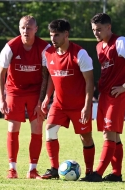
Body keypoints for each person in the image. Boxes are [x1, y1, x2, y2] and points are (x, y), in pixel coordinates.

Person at [84, 13, 125, 182]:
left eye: (99, 29)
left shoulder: (120, 42)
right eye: (94, 30)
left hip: (117, 95)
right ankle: (116, 173)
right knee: (113, 136)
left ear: (109, 27)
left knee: (109, 134)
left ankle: (98, 173)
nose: (96, 33)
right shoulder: (98, 46)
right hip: (104, 95)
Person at [40, 19, 95, 181]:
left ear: (66, 34)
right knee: (49, 130)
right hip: (59, 104)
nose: (53, 38)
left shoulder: (80, 54)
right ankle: (54, 169)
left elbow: (90, 82)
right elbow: (51, 76)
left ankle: (90, 172)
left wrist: (86, 106)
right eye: (51, 35)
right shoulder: (48, 53)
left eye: (56, 35)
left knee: (85, 137)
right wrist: (47, 98)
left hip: (79, 105)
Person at [0, 15, 50, 179]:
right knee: (13, 128)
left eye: (29, 28)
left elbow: (48, 76)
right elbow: (1, 74)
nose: (25, 31)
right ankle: (12, 169)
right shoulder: (10, 47)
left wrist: (42, 100)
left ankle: (32, 170)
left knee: (37, 128)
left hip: (35, 91)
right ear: (19, 29)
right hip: (15, 90)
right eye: (22, 28)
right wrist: (1, 98)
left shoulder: (44, 48)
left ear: (36, 29)